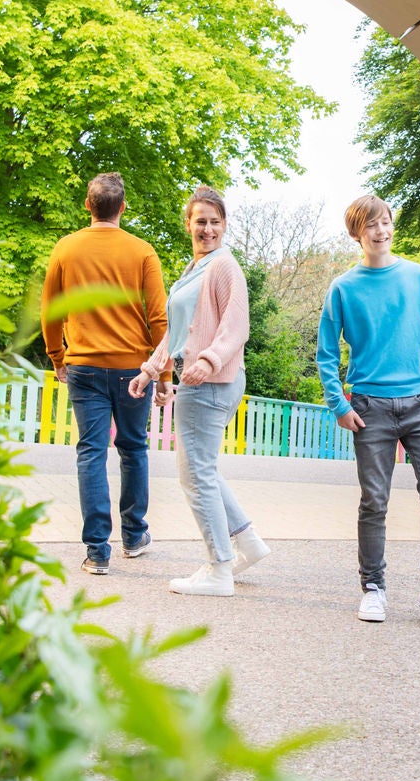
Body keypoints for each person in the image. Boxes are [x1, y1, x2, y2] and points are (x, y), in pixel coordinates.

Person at [316, 194, 420, 627]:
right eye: (371, 225)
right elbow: (325, 352)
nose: (380, 231)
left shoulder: (419, 277)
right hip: (369, 407)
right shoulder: (344, 287)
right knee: (374, 501)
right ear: (357, 234)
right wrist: (337, 404)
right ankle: (373, 588)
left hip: (419, 403)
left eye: (385, 222)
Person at [129, 185, 270, 597]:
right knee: (203, 470)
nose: (207, 229)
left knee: (195, 476)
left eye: (214, 222)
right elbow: (176, 332)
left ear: (224, 225)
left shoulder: (224, 266)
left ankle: (219, 568)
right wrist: (151, 370)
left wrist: (207, 359)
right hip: (201, 381)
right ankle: (247, 543)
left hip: (210, 381)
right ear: (188, 224)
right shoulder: (196, 269)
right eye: (200, 221)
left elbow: (236, 326)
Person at [40, 172, 168, 576]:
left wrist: (57, 356)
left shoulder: (66, 248)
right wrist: (164, 373)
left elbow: (51, 309)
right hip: (134, 368)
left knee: (91, 452)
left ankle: (97, 551)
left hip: (85, 367)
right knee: (133, 448)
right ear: (123, 207)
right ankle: (133, 536)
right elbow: (160, 319)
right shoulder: (143, 251)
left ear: (87, 205)